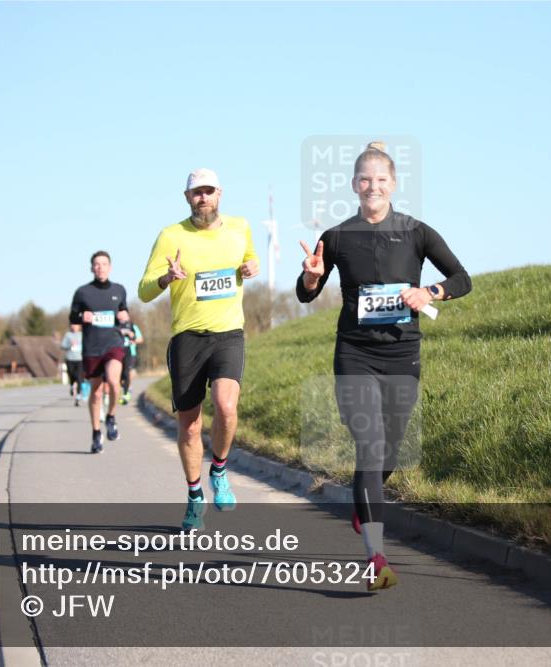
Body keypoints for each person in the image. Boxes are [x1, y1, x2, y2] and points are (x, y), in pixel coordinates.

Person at [296, 142, 471, 591]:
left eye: (381, 180)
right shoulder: (336, 237)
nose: (373, 187)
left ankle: (363, 498)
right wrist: (312, 277)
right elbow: (306, 293)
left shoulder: (416, 232)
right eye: (365, 180)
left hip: (402, 352)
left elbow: (461, 279)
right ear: (355, 185)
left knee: (389, 449)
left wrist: (428, 293)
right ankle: (376, 555)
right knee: (370, 447)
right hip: (354, 353)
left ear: (393, 184)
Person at [138, 168, 259, 530]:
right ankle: (194, 496)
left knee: (225, 406)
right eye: (196, 192)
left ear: (220, 194)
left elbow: (249, 258)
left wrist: (252, 266)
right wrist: (165, 278)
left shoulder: (240, 227)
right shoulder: (170, 236)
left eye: (209, 191)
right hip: (187, 338)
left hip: (228, 334)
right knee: (189, 427)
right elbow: (144, 290)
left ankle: (219, 470)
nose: (202, 197)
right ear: (187, 197)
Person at [70, 250, 131, 453]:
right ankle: (96, 432)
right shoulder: (82, 292)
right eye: (96, 264)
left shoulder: (119, 290)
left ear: (110, 267)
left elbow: (124, 312)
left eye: (104, 264)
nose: (100, 267)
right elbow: (73, 317)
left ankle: (111, 416)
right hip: (92, 346)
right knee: (95, 394)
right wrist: (81, 317)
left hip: (113, 343)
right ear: (91, 268)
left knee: (114, 382)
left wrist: (125, 316)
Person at [119, 320, 144, 405]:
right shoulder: (117, 325)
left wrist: (133, 341)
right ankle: (126, 388)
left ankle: (128, 390)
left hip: (131, 353)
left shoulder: (133, 326)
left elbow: (140, 339)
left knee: (129, 373)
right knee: (121, 376)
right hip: (120, 353)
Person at [60, 324, 84, 406]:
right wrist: (70, 345)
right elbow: (62, 345)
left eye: (76, 325)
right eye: (73, 325)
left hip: (80, 359)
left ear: (79, 326)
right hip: (70, 359)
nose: (74, 327)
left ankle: (78, 395)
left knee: (79, 377)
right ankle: (71, 386)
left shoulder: (82, 334)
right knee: (72, 376)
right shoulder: (68, 335)